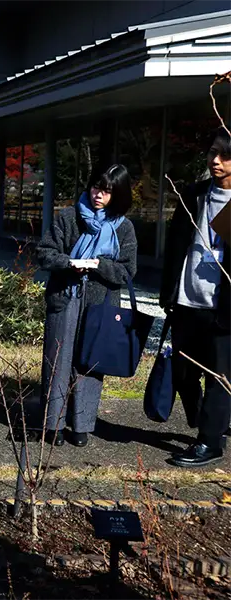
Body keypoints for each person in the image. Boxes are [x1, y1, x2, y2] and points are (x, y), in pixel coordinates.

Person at [36, 165, 136, 447]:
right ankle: (52, 423)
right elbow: (44, 253)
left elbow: (127, 271)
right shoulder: (69, 216)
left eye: (107, 191)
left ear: (118, 195)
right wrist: (69, 263)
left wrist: (98, 265)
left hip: (100, 303)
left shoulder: (124, 227)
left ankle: (82, 424)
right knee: (57, 360)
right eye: (95, 187)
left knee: (90, 363)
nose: (98, 195)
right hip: (64, 296)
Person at [160, 129, 231, 467]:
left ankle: (210, 442)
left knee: (219, 375)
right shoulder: (194, 195)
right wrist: (168, 293)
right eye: (212, 152)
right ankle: (211, 422)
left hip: (224, 307)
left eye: (225, 155)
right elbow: (174, 246)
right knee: (184, 373)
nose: (215, 160)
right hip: (187, 300)